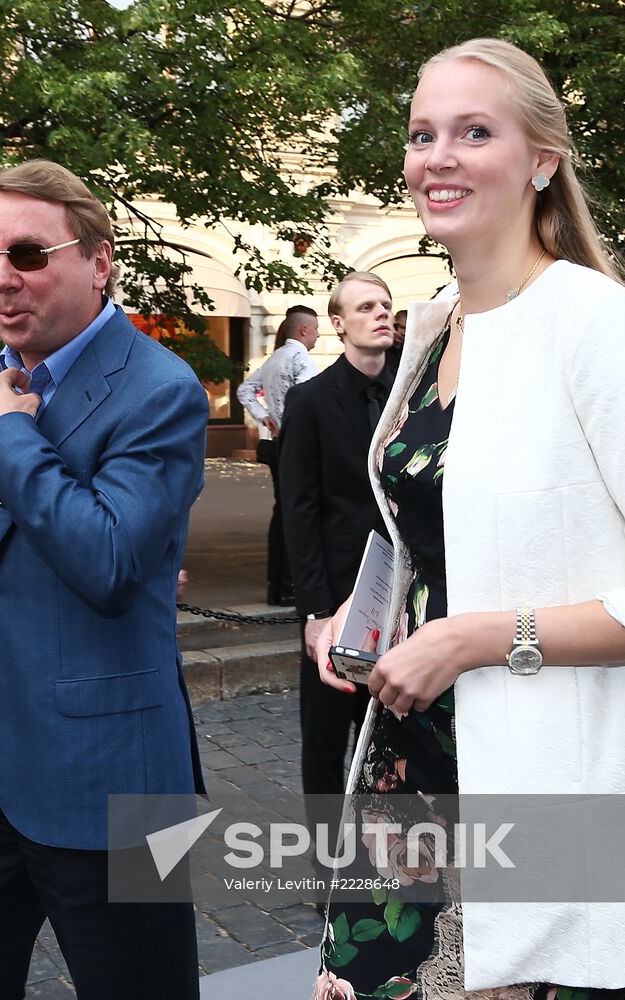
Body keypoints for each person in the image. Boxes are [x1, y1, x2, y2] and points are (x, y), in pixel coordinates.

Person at [313, 38, 625, 1000]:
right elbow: (429, 531)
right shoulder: (430, 331)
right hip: (408, 773)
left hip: (539, 795)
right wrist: (361, 615)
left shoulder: (593, 323)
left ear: (541, 159)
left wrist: (473, 639)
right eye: (424, 133)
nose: (440, 157)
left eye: (475, 131)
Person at [0, 159, 208, 1000]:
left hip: (123, 771)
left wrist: (5, 440)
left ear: (99, 261)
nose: (1, 279)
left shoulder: (163, 388)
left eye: (29, 254)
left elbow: (108, 564)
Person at [278, 272, 394, 899]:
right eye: (364, 307)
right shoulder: (313, 400)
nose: (380, 314)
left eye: (385, 305)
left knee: (396, 731)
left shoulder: (417, 388)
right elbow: (299, 510)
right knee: (328, 740)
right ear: (339, 323)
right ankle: (329, 875)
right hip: (340, 593)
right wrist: (316, 610)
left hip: (409, 591)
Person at [237, 304, 320, 604]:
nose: (318, 335)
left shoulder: (275, 359)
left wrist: (266, 417)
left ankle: (279, 584)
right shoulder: (301, 360)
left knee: (282, 513)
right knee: (296, 514)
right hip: (296, 444)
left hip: (276, 441)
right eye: (316, 329)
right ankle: (289, 584)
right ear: (303, 330)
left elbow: (244, 391)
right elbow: (307, 404)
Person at [385, 308, 407, 373]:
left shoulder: (408, 352)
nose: (404, 333)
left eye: (407, 330)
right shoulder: (380, 350)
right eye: (402, 327)